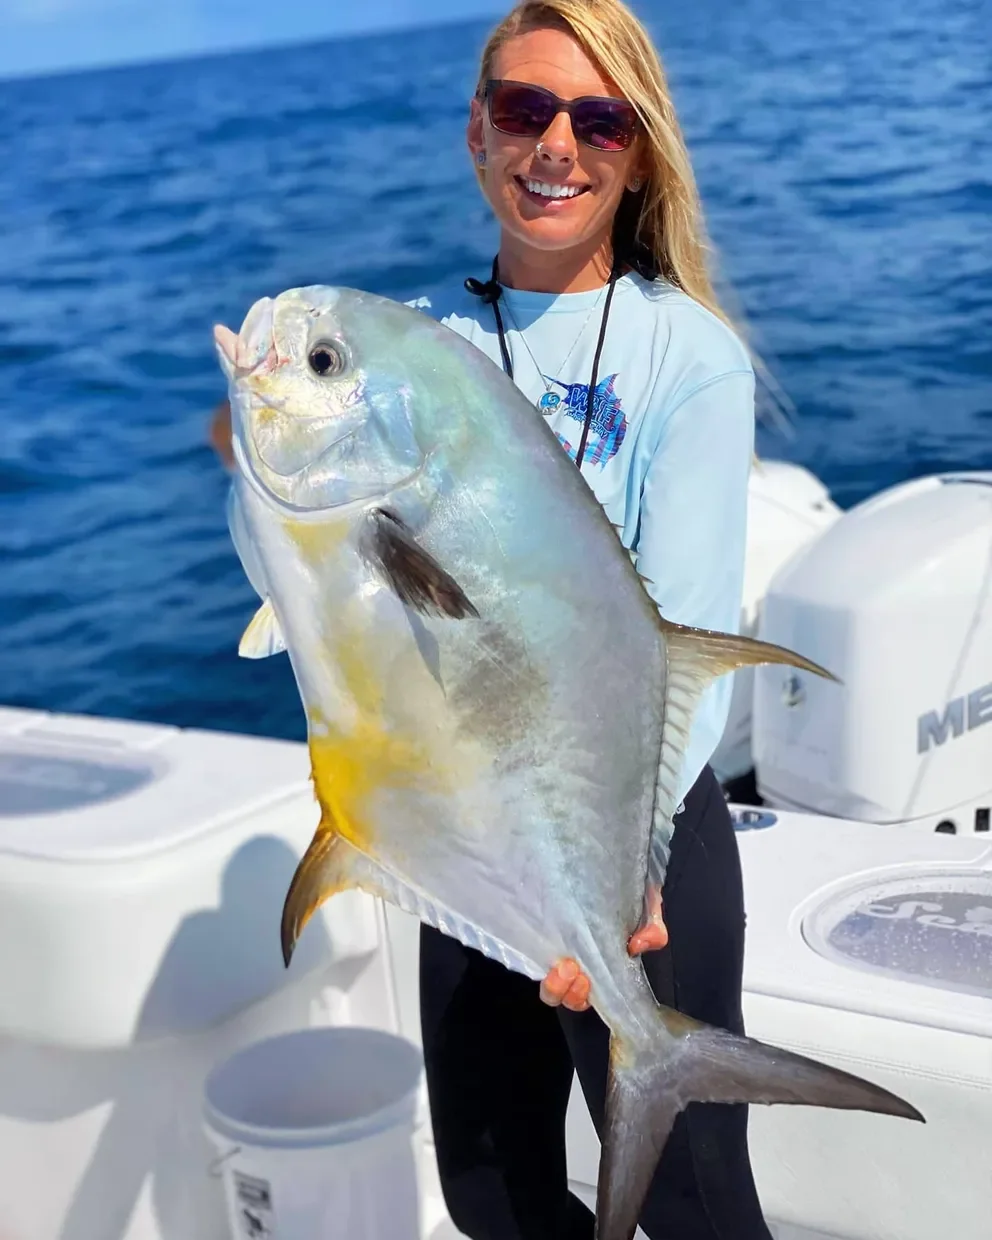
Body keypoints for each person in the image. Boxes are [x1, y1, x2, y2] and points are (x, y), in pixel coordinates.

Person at [210, 2, 767, 1235]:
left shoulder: (689, 357)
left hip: (635, 834)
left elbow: (685, 650)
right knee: (489, 1193)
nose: (554, 145)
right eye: (522, 110)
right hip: (465, 837)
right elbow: (311, 585)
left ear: (638, 147)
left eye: (594, 117)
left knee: (692, 1207)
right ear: (476, 134)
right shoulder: (420, 348)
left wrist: (633, 883)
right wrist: (257, 444)